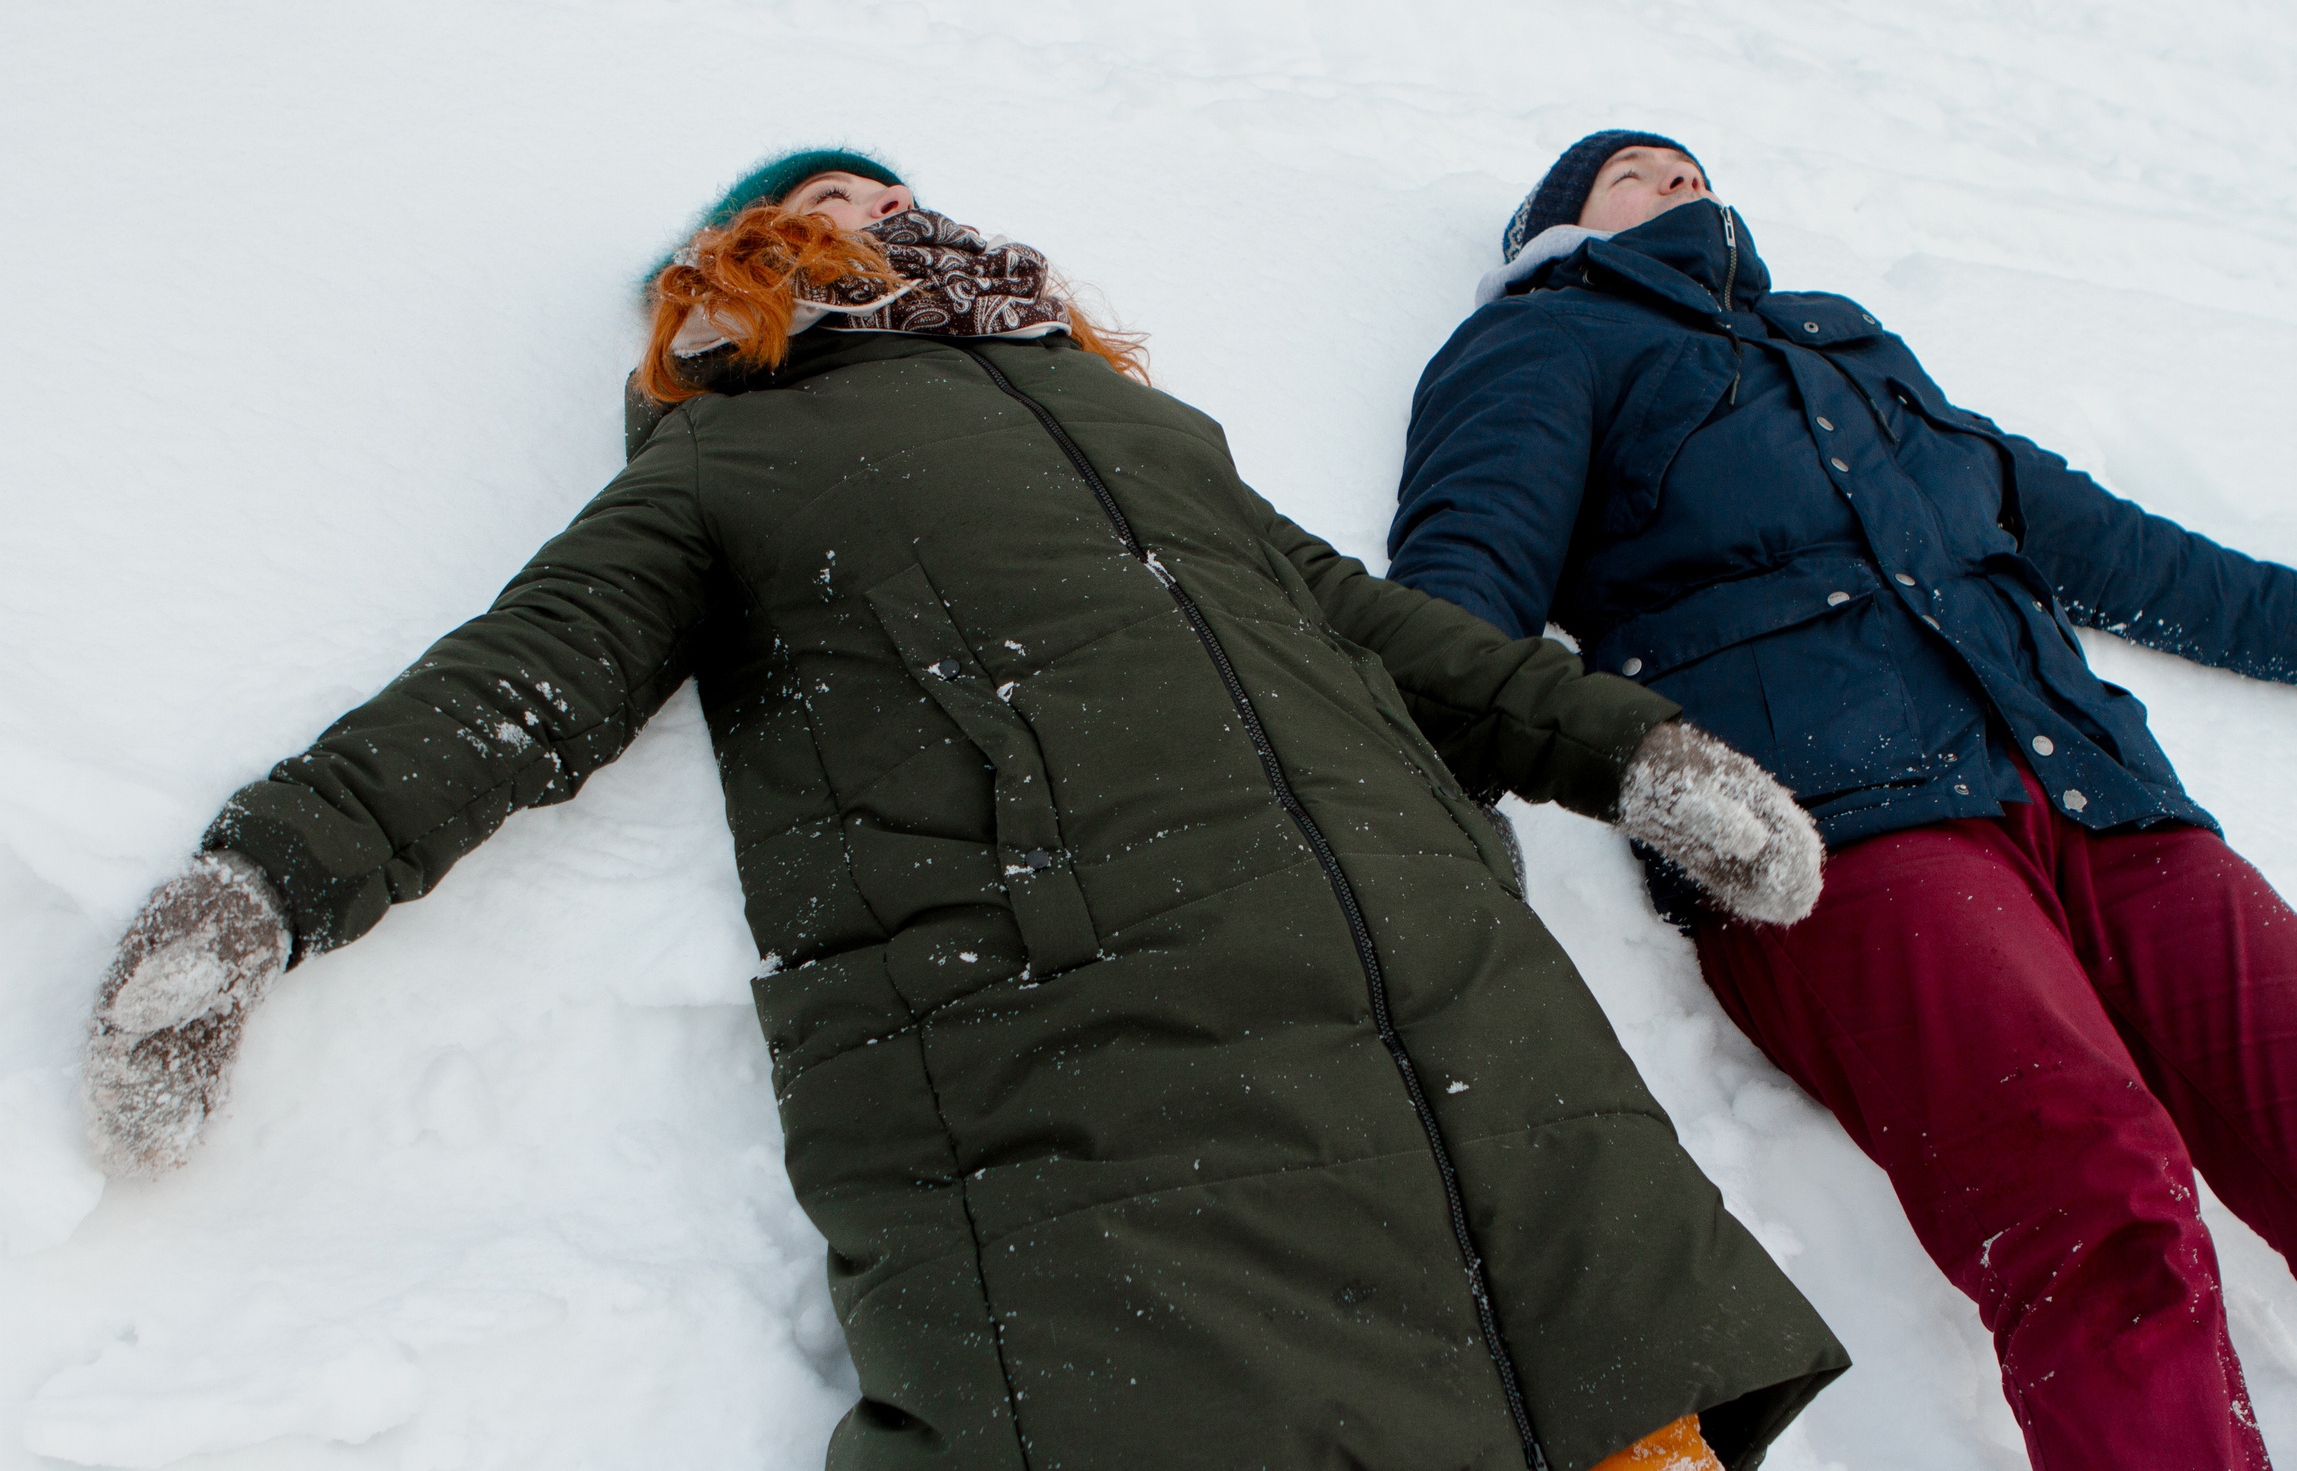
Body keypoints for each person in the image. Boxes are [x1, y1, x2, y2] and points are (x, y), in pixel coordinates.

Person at [79, 149, 1850, 1471]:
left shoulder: (1148, 429)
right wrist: (263, 879)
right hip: (1123, 1093)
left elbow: (1378, 633)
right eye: (827, 195)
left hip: (1468, 1038)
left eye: (895, 184)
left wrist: (1631, 754)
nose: (879, 202)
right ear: (739, 263)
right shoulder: (730, 455)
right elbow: (526, 678)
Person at [1388, 129, 2297, 1471]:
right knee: (2097, 1211)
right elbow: (1459, 582)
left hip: (2098, 793)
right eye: (1639, 172)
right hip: (1837, 826)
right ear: (1561, 221)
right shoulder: (1550, 341)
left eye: (1696, 171)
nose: (1684, 186)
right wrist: (1436, 793)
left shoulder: (1845, 352)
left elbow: (2087, 533)